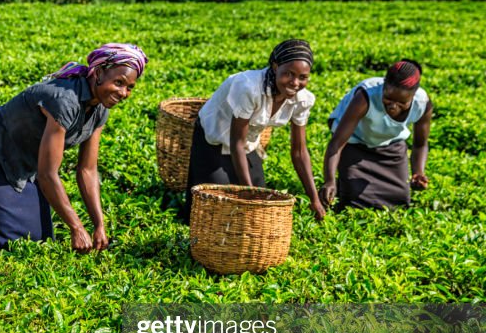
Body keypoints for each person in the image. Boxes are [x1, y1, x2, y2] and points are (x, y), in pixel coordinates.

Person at [0, 43, 148, 252]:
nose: (123, 93)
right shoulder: (65, 101)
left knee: (39, 239)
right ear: (98, 73)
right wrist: (77, 227)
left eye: (130, 87)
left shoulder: (100, 111)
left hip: (27, 162)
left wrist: (99, 225)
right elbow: (47, 174)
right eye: (119, 82)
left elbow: (87, 170)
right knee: (6, 245)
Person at [184, 39, 325, 221]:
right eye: (288, 74)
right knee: (216, 201)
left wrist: (314, 199)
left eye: (303, 77)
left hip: (248, 143)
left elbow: (299, 151)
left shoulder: (303, 99)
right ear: (275, 67)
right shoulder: (249, 87)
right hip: (214, 136)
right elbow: (236, 143)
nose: (295, 82)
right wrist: (248, 193)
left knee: (260, 192)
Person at [321, 60, 432, 211]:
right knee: (353, 203)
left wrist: (418, 172)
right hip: (354, 144)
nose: (393, 106)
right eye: (389, 98)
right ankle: (343, 184)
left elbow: (420, 144)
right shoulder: (365, 96)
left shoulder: (422, 103)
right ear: (384, 85)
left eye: (402, 103)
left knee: (399, 201)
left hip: (391, 147)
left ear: (413, 95)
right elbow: (337, 143)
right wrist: (329, 180)